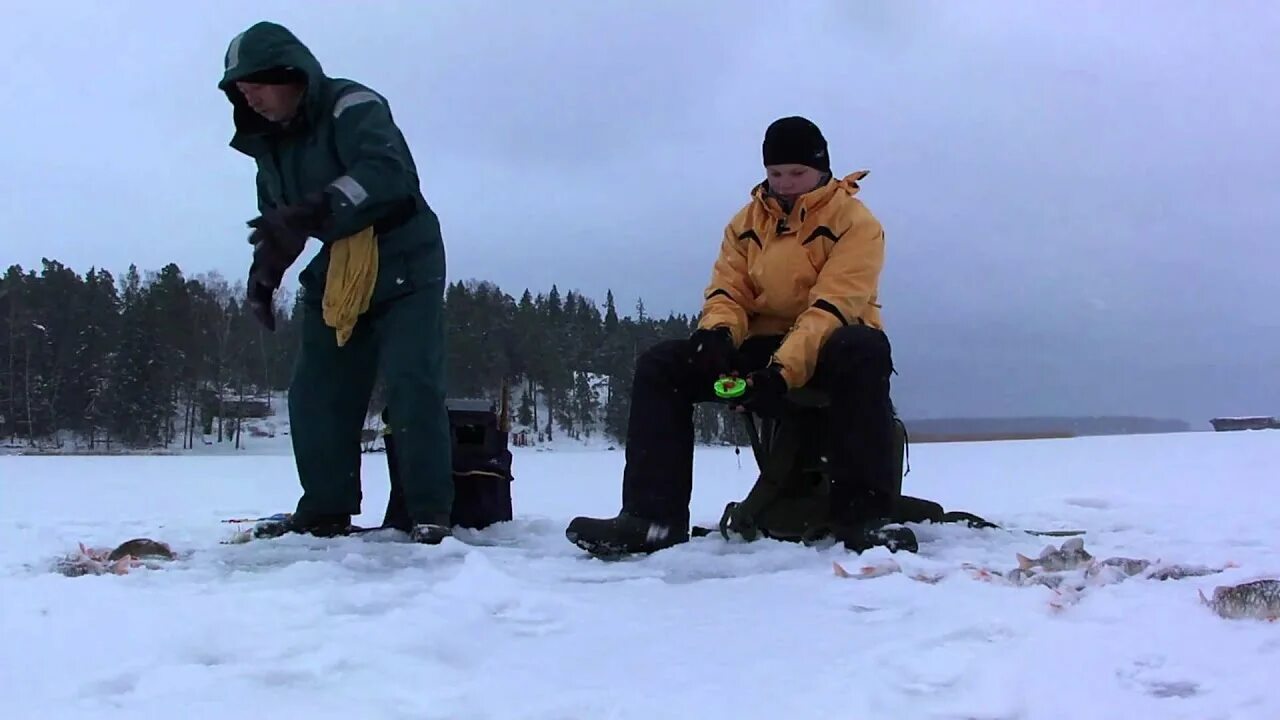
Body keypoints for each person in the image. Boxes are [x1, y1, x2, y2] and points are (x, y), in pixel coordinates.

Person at [566, 116, 913, 557]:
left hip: (831, 345)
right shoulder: (746, 222)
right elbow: (729, 290)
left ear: (823, 169)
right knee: (662, 366)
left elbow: (832, 307)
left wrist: (779, 376)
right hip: (766, 348)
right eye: (776, 174)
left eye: (798, 174)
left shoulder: (856, 222)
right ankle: (652, 518)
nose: (786, 185)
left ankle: (865, 519)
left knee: (864, 350)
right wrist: (716, 336)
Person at [217, 21, 453, 544]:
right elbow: (280, 220)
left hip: (405, 253)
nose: (247, 96)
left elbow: (386, 173)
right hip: (339, 267)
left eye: (255, 83)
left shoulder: (352, 105)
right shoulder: (269, 145)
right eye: (239, 90)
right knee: (315, 390)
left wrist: (316, 208)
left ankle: (428, 512)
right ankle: (325, 510)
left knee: (412, 382)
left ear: (290, 73)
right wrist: (265, 274)